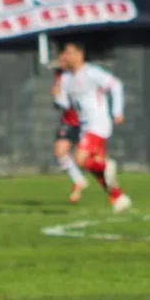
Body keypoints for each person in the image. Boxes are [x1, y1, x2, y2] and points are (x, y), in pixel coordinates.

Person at [54, 42, 131, 213]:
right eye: (66, 53)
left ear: (80, 54)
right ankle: (118, 197)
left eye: (70, 53)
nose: (67, 56)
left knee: (81, 159)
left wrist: (117, 111)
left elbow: (116, 85)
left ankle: (106, 167)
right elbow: (66, 104)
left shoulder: (91, 72)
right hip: (84, 126)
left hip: (98, 123)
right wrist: (57, 95)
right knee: (95, 169)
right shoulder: (66, 78)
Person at [50, 56, 88, 203]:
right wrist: (57, 97)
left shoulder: (83, 75)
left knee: (87, 158)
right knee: (60, 153)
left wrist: (59, 97)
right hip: (69, 121)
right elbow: (61, 103)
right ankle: (79, 182)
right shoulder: (61, 75)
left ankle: (113, 190)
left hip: (86, 122)